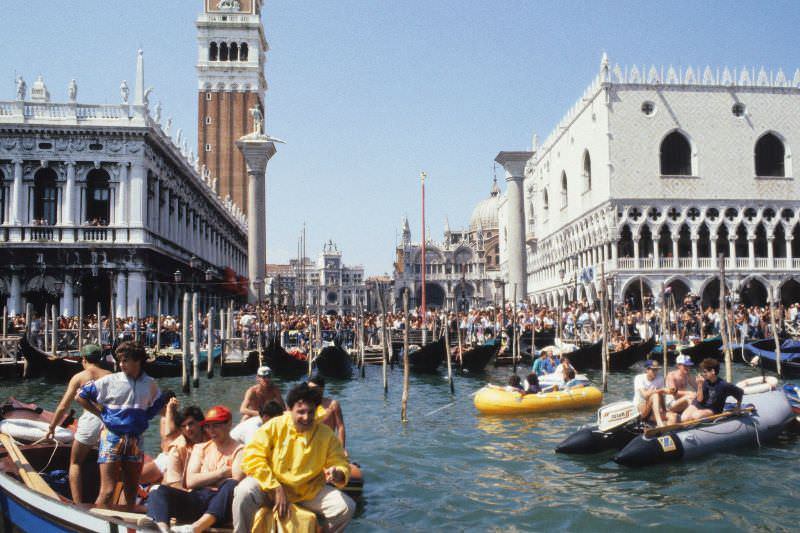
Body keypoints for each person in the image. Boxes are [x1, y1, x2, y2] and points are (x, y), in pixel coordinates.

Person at [232, 383, 355, 533]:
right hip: (270, 486)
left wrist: (338, 473)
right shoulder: (273, 426)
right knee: (244, 491)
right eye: (301, 412)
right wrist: (276, 487)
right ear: (290, 410)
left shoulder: (326, 434)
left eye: (311, 412)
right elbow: (253, 458)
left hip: (308, 491)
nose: (307, 417)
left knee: (346, 507)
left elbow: (340, 461)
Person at [77, 341, 167, 510]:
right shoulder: (110, 381)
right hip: (112, 437)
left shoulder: (150, 383)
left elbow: (157, 404)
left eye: (125, 360)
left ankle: (126, 525)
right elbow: (81, 396)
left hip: (135, 440)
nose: (121, 364)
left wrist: (144, 417)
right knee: (108, 491)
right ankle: (97, 524)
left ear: (138, 360)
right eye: (120, 360)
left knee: (132, 490)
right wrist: (101, 414)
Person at [147, 405, 244, 533]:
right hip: (198, 498)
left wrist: (204, 478)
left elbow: (236, 479)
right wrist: (220, 473)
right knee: (157, 489)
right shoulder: (199, 448)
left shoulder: (240, 449)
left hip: (222, 503)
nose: (211, 430)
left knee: (231, 485)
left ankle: (196, 528)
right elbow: (191, 481)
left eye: (216, 425)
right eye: (208, 426)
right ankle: (162, 529)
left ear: (228, 424)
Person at [45, 344, 110, 503]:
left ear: (84, 359)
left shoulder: (80, 377)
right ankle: (104, 503)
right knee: (107, 467)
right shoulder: (111, 375)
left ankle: (77, 504)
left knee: (75, 463)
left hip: (91, 421)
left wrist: (52, 427)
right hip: (110, 421)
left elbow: (63, 406)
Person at [160, 405, 206, 489]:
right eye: (183, 426)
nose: (188, 428)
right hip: (184, 491)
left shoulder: (213, 439)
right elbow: (174, 483)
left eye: (190, 423)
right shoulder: (177, 448)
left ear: (200, 422)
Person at [307, 375, 346, 450]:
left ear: (322, 389)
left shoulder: (333, 404)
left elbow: (340, 427)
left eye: (314, 388)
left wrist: (342, 449)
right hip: (310, 446)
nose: (311, 391)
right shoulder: (305, 405)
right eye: (309, 388)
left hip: (328, 446)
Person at [664, 354, 698, 424]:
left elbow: (696, 386)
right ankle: (688, 418)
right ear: (678, 365)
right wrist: (688, 393)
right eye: (685, 366)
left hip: (682, 402)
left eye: (688, 366)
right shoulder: (671, 375)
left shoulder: (687, 375)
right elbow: (673, 392)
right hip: (671, 404)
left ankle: (695, 415)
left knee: (695, 397)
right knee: (689, 397)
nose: (687, 368)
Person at [632, 360, 667, 427]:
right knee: (655, 395)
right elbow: (645, 395)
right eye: (653, 370)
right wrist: (660, 390)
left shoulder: (660, 378)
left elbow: (661, 396)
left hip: (654, 409)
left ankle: (666, 430)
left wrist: (664, 409)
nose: (655, 372)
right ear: (647, 370)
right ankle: (659, 422)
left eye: (657, 370)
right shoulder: (639, 378)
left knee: (673, 417)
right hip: (641, 408)